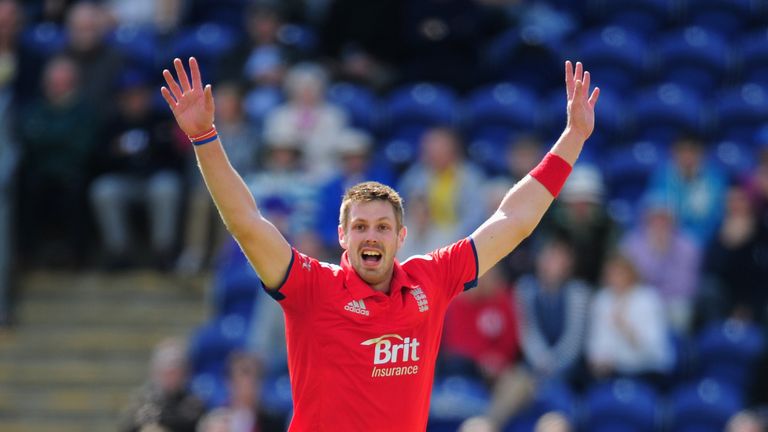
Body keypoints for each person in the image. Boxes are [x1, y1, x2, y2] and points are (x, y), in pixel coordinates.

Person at [161, 57, 598, 431]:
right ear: (342, 237)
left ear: (400, 237)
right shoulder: (313, 286)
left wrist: (573, 138)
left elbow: (513, 220)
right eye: (361, 226)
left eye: (383, 227)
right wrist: (205, 138)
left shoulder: (433, 277)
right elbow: (247, 223)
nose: (371, 235)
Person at [120, 338, 206, 432]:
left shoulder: (194, 405)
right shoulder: (141, 403)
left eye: (178, 367)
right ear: (155, 370)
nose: (173, 373)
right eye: (168, 368)